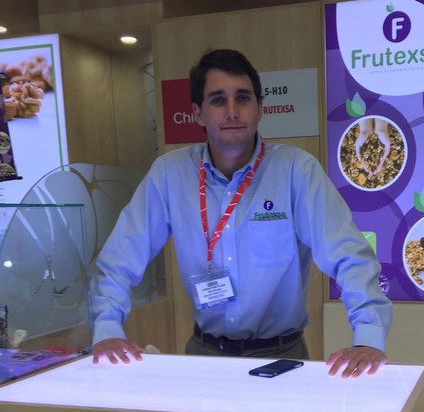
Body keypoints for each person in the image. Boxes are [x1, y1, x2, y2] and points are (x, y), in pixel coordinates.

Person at [90, 49, 392, 378]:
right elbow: (120, 258)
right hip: (204, 357)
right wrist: (107, 328)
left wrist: (368, 336)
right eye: (218, 100)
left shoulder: (296, 171)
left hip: (282, 359)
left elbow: (349, 256)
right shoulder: (170, 174)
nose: (232, 111)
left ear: (260, 109)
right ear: (198, 113)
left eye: (243, 98)